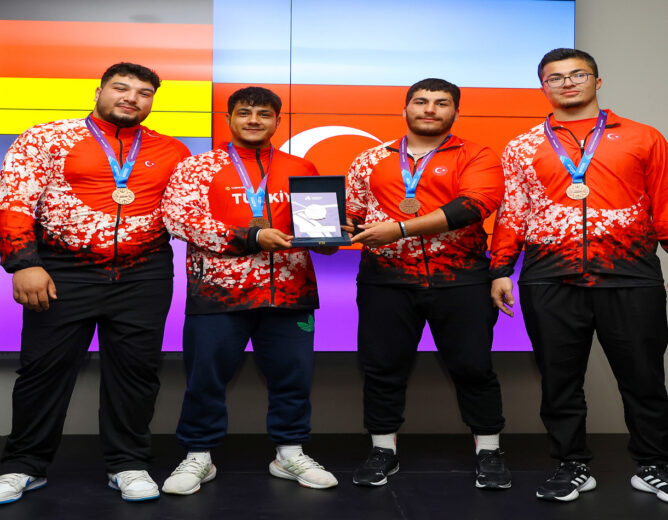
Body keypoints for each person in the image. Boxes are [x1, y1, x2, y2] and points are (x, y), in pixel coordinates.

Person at [0, 62, 190, 503]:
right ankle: (23, 465)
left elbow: (190, 212)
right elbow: (13, 200)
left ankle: (128, 464)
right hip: (62, 271)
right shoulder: (46, 137)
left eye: (144, 93)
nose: (131, 98)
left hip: (144, 273)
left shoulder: (172, 150)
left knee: (136, 372)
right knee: (43, 371)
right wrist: (23, 263)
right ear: (99, 91)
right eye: (121, 88)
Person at [490, 48, 668, 503]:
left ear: (597, 81)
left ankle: (654, 465)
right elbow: (513, 211)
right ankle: (572, 465)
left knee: (645, 377)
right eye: (556, 77)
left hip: (630, 273)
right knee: (559, 378)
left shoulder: (644, 137)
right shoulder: (522, 146)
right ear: (543, 87)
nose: (567, 83)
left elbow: (664, 203)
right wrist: (501, 268)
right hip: (549, 275)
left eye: (578, 74)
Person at [160, 86, 338, 495]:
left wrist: (329, 237)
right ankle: (198, 454)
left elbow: (316, 228)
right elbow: (180, 221)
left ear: (277, 121)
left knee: (293, 377)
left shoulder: (301, 167)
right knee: (205, 377)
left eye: (263, 114)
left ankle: (289, 452)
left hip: (290, 291)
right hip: (218, 294)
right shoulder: (198, 167)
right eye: (244, 112)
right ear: (229, 119)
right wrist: (252, 235)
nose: (254, 120)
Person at [345, 78, 510, 489]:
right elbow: (353, 214)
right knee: (382, 367)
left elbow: (473, 206)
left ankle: (490, 452)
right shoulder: (369, 159)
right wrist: (325, 231)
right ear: (405, 109)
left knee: (473, 367)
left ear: (456, 111)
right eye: (420, 101)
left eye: (441, 102)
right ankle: (383, 451)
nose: (430, 109)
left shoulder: (478, 154)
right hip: (386, 279)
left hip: (461, 278)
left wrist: (400, 228)